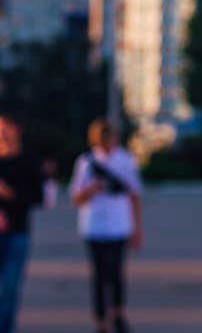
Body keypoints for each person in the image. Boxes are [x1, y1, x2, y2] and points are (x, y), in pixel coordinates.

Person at [69, 119, 143, 333]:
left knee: (117, 271)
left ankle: (118, 313)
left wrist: (138, 228)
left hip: (120, 225)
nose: (107, 144)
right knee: (99, 275)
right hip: (93, 226)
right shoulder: (86, 162)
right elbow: (76, 198)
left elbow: (135, 195)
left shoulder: (125, 160)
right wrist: (92, 188)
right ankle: (101, 320)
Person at [0, 116, 45, 333]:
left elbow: (38, 197)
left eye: (6, 128)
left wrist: (11, 195)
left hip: (17, 233)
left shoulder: (28, 162)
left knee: (9, 289)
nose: (3, 133)